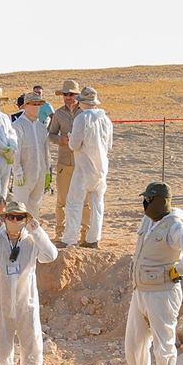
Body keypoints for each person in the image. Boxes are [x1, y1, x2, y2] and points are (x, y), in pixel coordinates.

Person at [126, 182, 183, 365]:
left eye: (148, 200)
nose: (145, 204)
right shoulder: (148, 221)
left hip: (162, 293)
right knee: (134, 344)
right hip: (140, 291)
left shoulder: (175, 226)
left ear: (158, 201)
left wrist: (176, 271)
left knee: (163, 346)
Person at [0, 200, 58, 365]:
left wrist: (35, 228)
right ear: (5, 218)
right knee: (2, 351)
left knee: (32, 348)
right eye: (11, 217)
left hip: (26, 304)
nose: (15, 220)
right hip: (2, 304)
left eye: (20, 217)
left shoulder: (31, 241)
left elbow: (51, 255)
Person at [65, 86, 113, 249]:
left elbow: (75, 144)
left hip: (84, 167)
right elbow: (109, 145)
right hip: (101, 168)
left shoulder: (82, 118)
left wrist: (71, 138)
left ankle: (70, 238)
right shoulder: (105, 119)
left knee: (74, 202)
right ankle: (94, 238)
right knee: (97, 203)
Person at [47, 79, 85, 244]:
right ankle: (60, 234)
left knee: (85, 200)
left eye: (71, 94)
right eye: (65, 94)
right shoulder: (58, 114)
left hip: (82, 162)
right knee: (62, 200)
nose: (68, 97)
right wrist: (60, 140)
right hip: (64, 162)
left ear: (77, 95)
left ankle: (85, 235)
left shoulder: (85, 112)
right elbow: (50, 134)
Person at [11, 90, 52, 219]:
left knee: (35, 207)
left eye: (39, 104)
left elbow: (46, 151)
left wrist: (47, 172)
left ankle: (32, 236)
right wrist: (17, 170)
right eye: (34, 104)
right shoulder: (18, 125)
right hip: (24, 174)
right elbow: (15, 149)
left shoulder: (41, 127)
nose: (37, 107)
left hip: (39, 173)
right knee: (20, 208)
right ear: (26, 106)